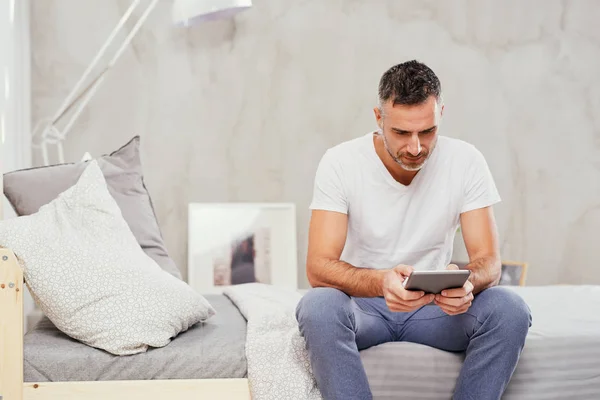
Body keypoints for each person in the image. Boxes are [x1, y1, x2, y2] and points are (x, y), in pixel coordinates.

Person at [296, 60, 532, 400]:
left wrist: (465, 279)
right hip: (364, 309)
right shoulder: (340, 162)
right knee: (318, 306)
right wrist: (382, 282)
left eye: (428, 131)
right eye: (402, 133)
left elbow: (489, 263)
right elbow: (318, 268)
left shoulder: (466, 161)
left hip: (437, 310)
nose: (416, 147)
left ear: (441, 114)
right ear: (379, 119)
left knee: (510, 309)